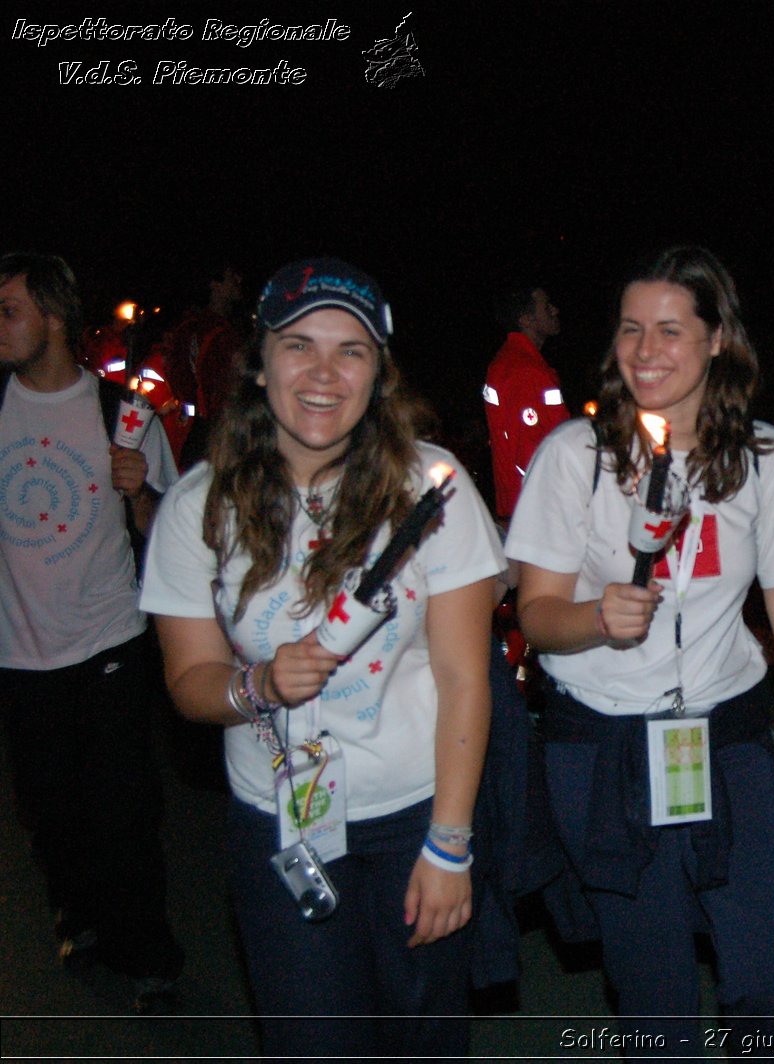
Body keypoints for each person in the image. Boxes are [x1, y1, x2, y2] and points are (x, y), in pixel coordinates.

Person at [139, 258, 503, 1059]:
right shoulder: (198, 505)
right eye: (299, 345)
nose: (323, 373)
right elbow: (188, 683)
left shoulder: (432, 488)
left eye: (352, 351)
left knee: (424, 1044)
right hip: (278, 824)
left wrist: (449, 844)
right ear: (259, 361)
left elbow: (463, 678)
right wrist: (256, 683)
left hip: (414, 816)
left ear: (379, 375)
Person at [505, 245, 774, 1054]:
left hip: (728, 743)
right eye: (630, 330)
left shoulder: (765, 459)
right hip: (606, 749)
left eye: (669, 330)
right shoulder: (572, 458)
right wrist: (596, 619)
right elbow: (537, 614)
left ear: (717, 338)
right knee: (655, 1000)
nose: (645, 351)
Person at [0, 252, 185, 1013]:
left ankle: (148, 954)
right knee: (51, 808)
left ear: (52, 316)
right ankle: (78, 915)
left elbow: (171, 533)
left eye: (8, 308)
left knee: (123, 807)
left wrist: (140, 494)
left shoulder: (123, 414)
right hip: (19, 652)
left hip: (109, 638)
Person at [484, 280, 570, 520]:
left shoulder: (517, 363)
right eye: (546, 307)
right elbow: (529, 450)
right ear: (526, 320)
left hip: (527, 507)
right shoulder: (523, 370)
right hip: (536, 511)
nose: (555, 310)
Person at [162, 263, 246, 468]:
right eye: (230, 276)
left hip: (197, 433)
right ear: (214, 285)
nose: (238, 281)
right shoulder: (212, 333)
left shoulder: (195, 326)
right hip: (211, 435)